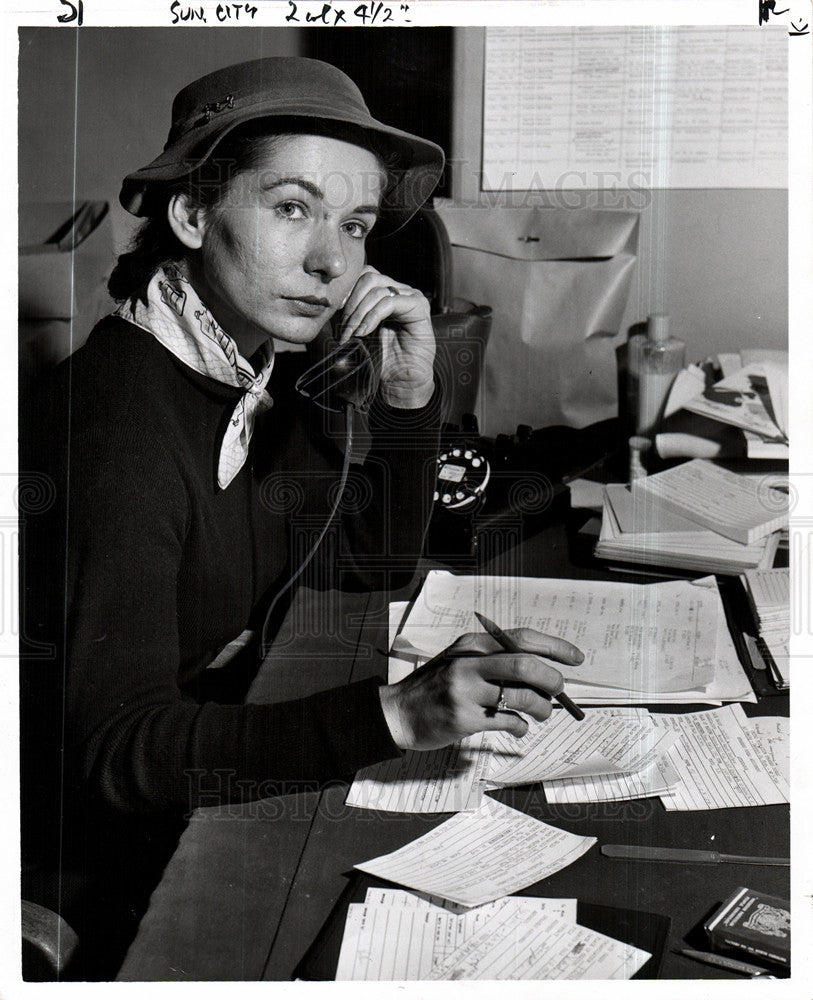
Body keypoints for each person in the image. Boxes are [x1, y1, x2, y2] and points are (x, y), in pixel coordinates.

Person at [20, 56, 583, 977]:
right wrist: (396, 715)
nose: (332, 260)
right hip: (95, 839)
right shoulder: (116, 426)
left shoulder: (251, 365)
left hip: (207, 764)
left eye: (353, 223)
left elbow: (364, 567)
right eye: (291, 208)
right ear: (193, 215)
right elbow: (117, 751)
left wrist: (406, 399)